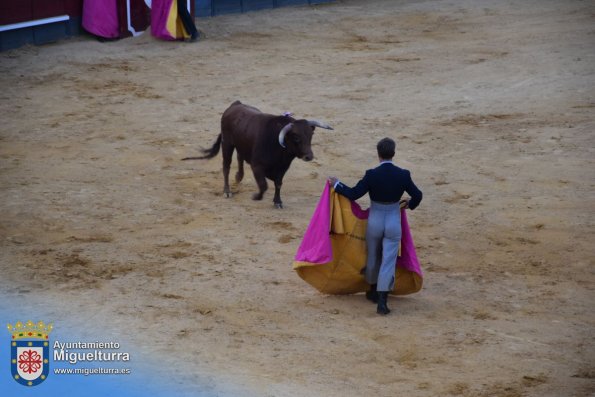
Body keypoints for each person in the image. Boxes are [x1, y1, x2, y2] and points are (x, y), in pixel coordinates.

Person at [328, 137, 422, 315]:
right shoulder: (403, 174)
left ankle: (372, 290)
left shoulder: (371, 174)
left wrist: (337, 184)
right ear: (393, 154)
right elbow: (418, 195)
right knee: (388, 260)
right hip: (393, 220)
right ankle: (382, 301)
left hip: (375, 220)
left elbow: (354, 194)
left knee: (373, 256)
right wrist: (410, 205)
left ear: (378, 155)